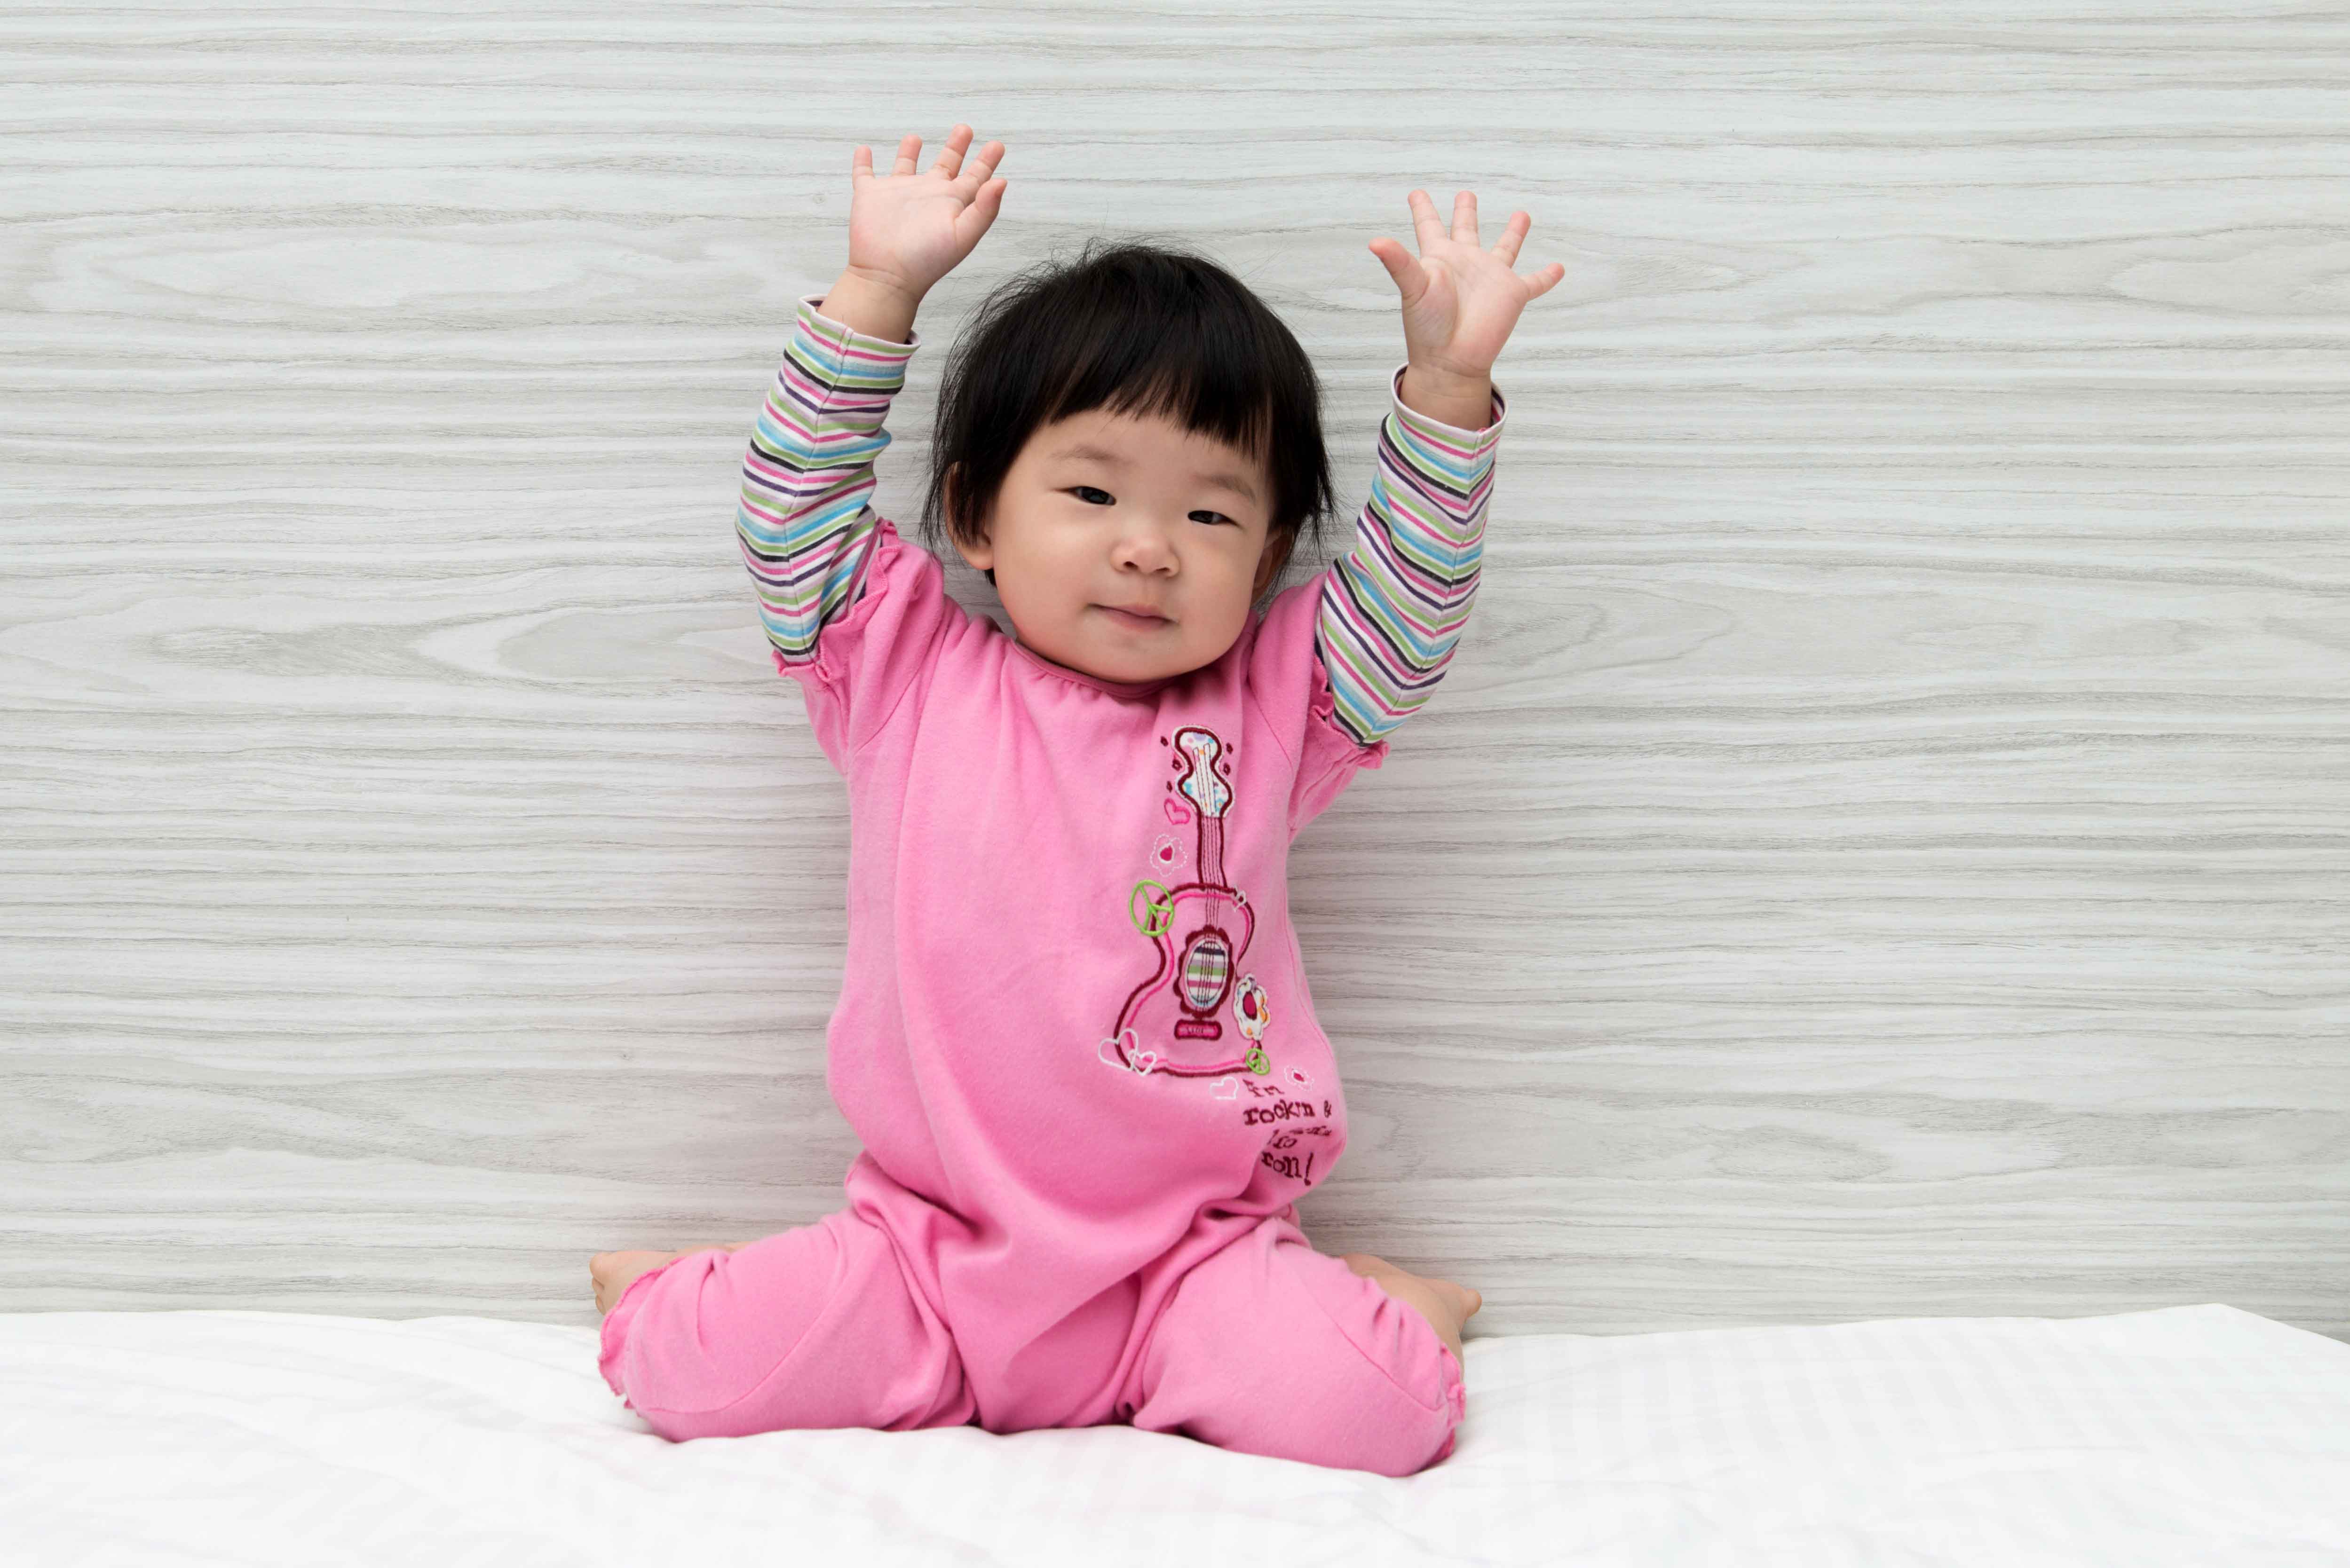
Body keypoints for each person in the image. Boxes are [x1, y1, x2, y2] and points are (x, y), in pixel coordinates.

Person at [590, 124, 1559, 1477]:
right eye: (1093, 491)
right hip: (930, 1250)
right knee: (687, 1372)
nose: (1148, 547)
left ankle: (1406, 1306)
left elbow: (1411, 597)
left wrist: (1449, 387)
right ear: (975, 517)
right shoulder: (901, 665)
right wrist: (879, 292)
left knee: (1386, 1415)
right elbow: (793, 516)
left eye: (1211, 518)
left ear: (1266, 561)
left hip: (1190, 1266)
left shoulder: (1280, 705)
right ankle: (661, 1287)